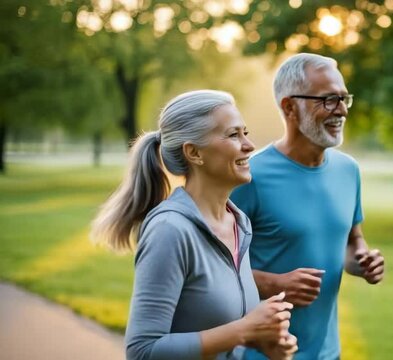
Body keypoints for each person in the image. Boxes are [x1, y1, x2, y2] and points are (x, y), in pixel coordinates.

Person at [90, 90, 298, 360]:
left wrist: (263, 341)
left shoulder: (239, 223)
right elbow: (142, 351)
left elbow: (219, 326)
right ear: (194, 152)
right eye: (234, 135)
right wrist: (244, 330)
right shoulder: (169, 230)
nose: (249, 145)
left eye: (245, 133)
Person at [231, 53, 385, 360]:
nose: (340, 110)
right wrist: (274, 283)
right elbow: (211, 268)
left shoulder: (348, 171)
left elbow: (352, 240)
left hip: (328, 352)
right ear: (290, 107)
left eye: (343, 98)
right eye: (327, 99)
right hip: (260, 354)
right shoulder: (248, 176)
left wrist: (362, 260)